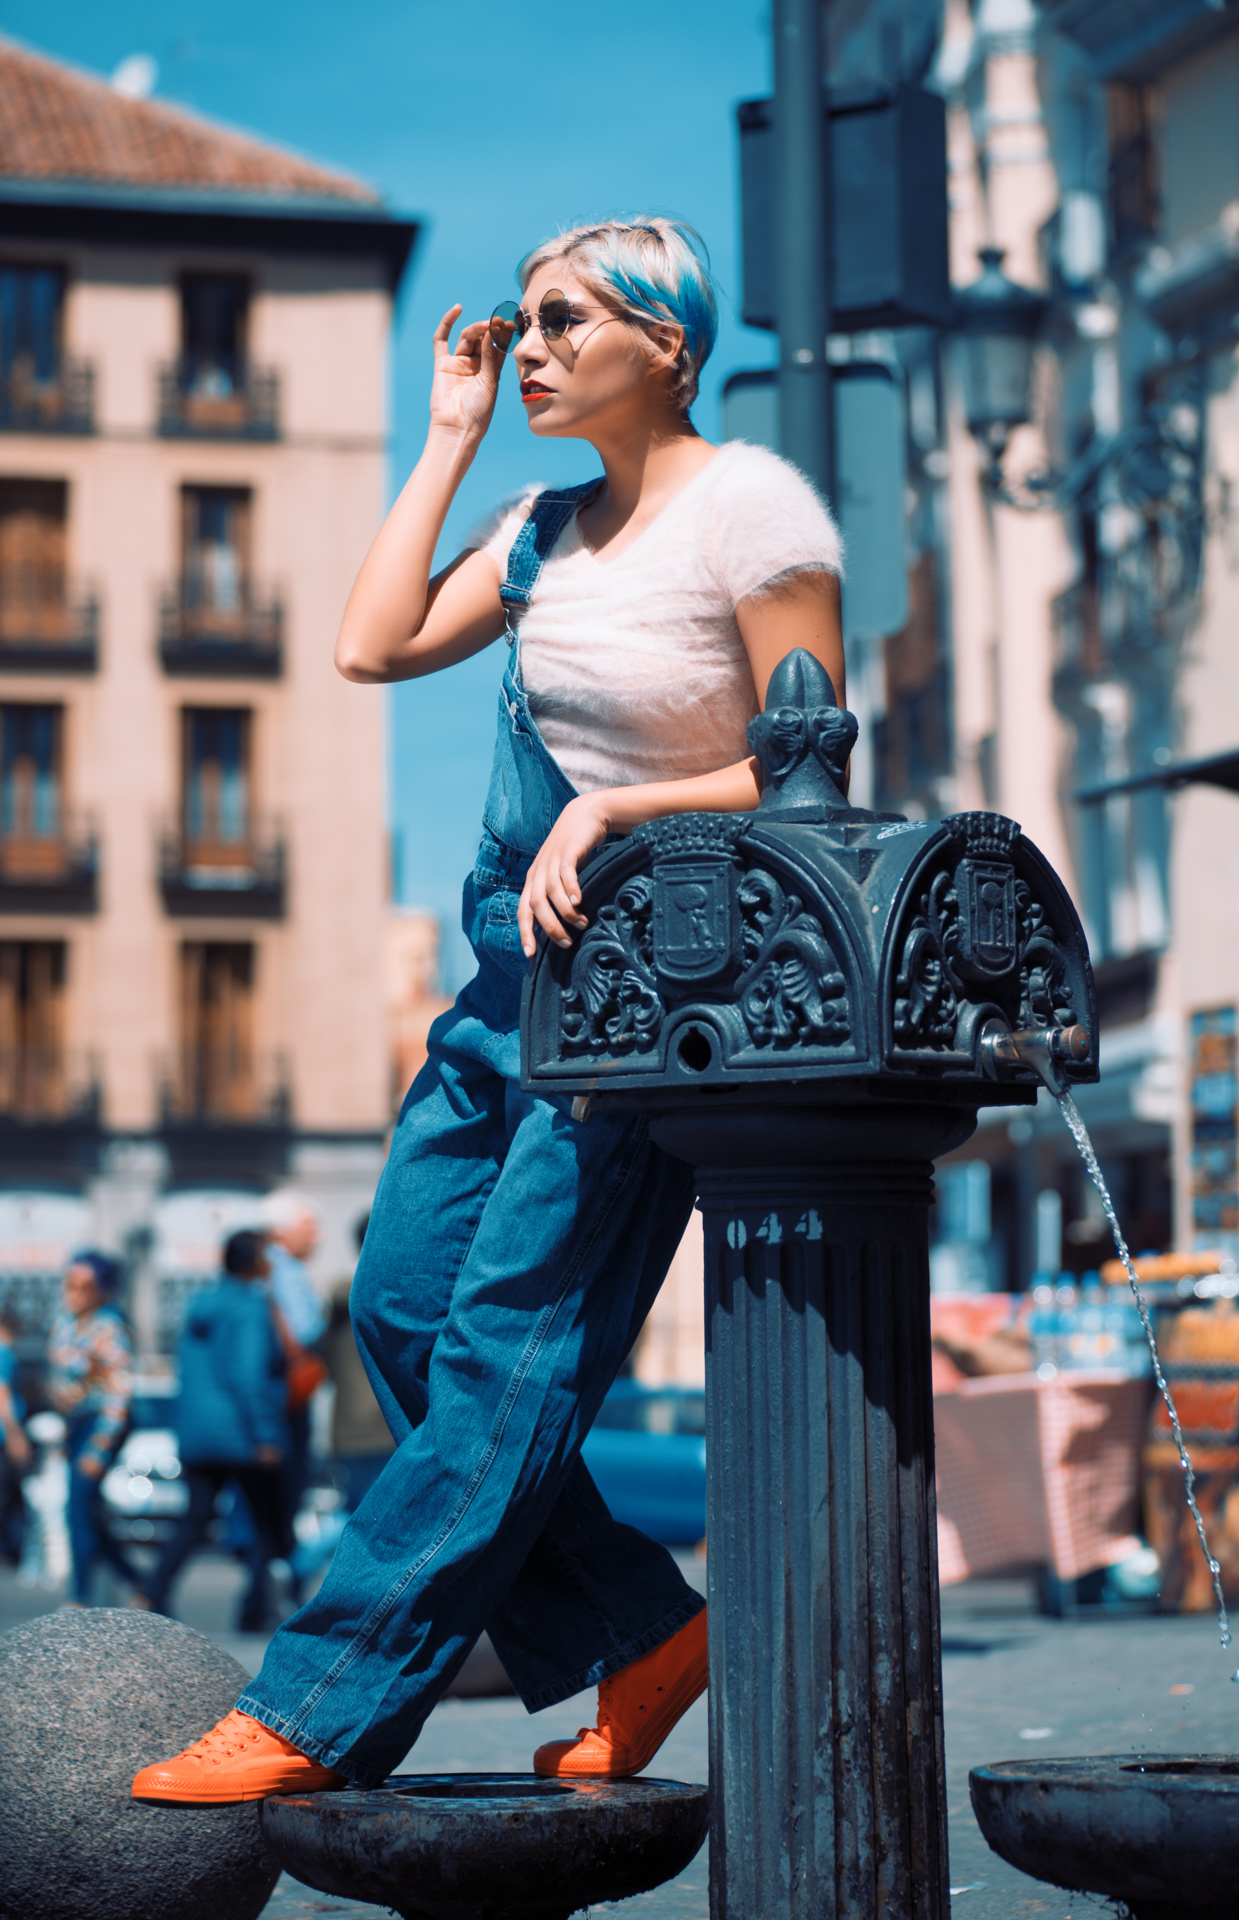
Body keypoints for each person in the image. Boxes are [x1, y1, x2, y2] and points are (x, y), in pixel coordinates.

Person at [133, 216, 845, 1806]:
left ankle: (315, 1709)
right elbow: (365, 645)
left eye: (563, 321)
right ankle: (643, 1634)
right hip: (506, 985)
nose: (524, 348)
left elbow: (812, 768)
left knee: (507, 1342)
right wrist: (448, 439)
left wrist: (620, 810)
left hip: (659, 990)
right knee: (395, 1302)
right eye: (520, 322)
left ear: (666, 345)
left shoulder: (757, 513)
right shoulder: (535, 534)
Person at [140, 1230, 290, 1631]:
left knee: (196, 1516)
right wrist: (266, 1436)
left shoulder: (199, 1303)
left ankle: (153, 1589)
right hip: (242, 1433)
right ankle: (258, 1607)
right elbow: (249, 1374)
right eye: (267, 1255)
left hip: (198, 1431)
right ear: (253, 1262)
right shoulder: (250, 1307)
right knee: (267, 1523)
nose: (272, 1262)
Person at [46, 1250, 144, 1608]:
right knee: (87, 1511)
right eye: (70, 1284)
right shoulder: (66, 1324)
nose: (74, 1292)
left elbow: (120, 1392)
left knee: (77, 1507)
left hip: (101, 1425)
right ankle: (140, 1583)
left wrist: (99, 1447)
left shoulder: (109, 1328)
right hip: (75, 1425)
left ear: (102, 1289)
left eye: (84, 1286)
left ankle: (80, 1595)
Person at [262, 1190, 327, 1539]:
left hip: (271, 1389)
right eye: (310, 1226)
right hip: (288, 1391)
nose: (318, 1236)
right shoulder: (285, 1269)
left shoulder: (262, 1267)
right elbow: (306, 1329)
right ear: (282, 1231)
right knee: (287, 1490)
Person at [321, 1214, 394, 1513]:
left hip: (349, 1422)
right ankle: (299, 1560)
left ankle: (297, 1559)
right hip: (383, 1422)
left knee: (358, 1508)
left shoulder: (339, 1298)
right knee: (372, 1513)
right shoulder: (390, 1291)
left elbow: (325, 1357)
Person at [0, 1309, 30, 1563]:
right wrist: (14, 1434)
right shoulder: (4, 1353)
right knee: (6, 1495)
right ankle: (9, 1550)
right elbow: (3, 1394)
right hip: (3, 1436)